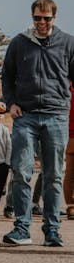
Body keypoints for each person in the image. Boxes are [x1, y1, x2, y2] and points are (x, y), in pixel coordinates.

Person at [1, 0, 74, 246]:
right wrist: (11, 103)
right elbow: (7, 77)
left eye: (46, 18)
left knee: (53, 175)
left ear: (54, 18)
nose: (41, 22)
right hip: (26, 117)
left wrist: (64, 103)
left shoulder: (68, 43)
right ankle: (22, 229)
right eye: (37, 18)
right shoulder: (19, 43)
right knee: (21, 172)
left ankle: (52, 230)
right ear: (32, 17)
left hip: (56, 116)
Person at [63, 86, 74, 220]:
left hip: (68, 136)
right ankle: (71, 206)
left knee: (69, 174)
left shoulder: (65, 90)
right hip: (70, 136)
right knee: (70, 174)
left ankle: (71, 207)